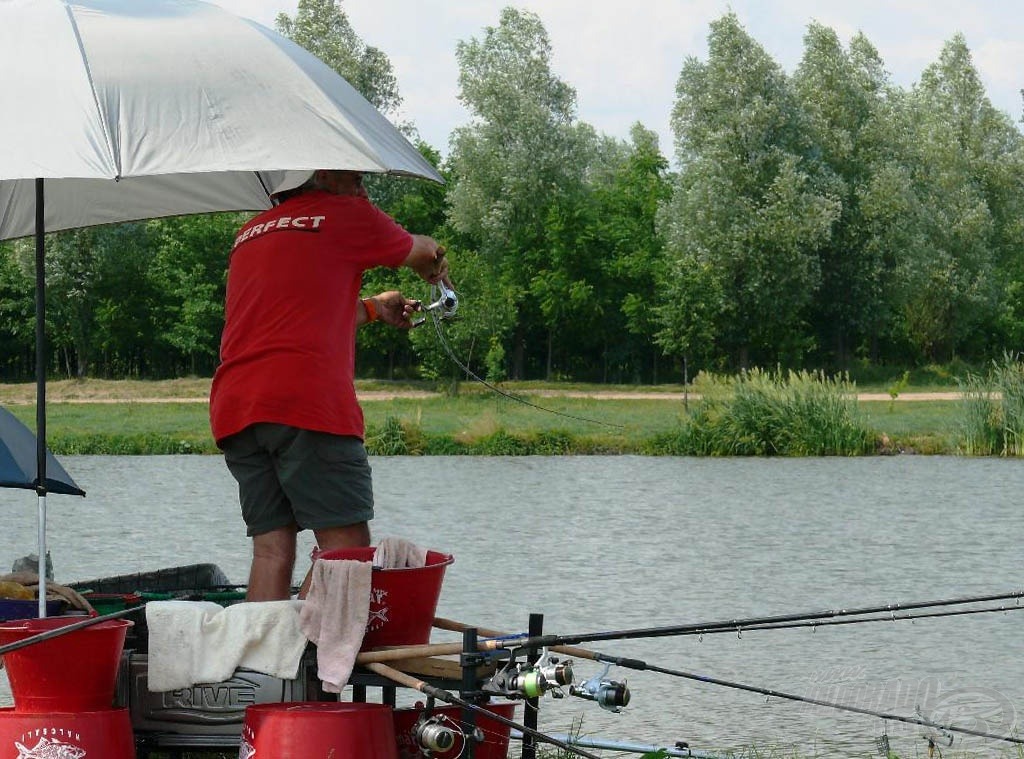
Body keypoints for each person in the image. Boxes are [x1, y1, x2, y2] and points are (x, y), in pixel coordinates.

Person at [209, 169, 449, 601]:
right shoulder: (344, 212)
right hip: (306, 403)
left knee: (271, 552)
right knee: (348, 552)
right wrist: (437, 261)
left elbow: (301, 310)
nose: (363, 189)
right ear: (322, 174)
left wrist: (375, 309)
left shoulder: (251, 231)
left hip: (237, 407)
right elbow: (423, 251)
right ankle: (320, 659)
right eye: (355, 177)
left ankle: (265, 659)